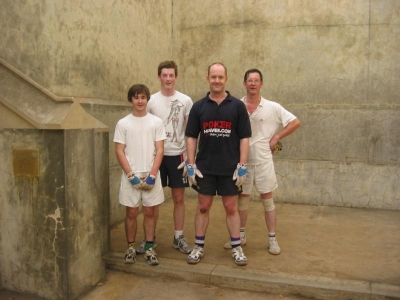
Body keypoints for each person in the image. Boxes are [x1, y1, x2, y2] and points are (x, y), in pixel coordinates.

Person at [223, 68, 301, 255]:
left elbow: (295, 122)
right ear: (244, 84)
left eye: (256, 80)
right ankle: (240, 236)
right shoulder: (235, 105)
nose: (252, 83)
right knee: (242, 200)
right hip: (242, 164)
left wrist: (277, 137)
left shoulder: (272, 107)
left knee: (268, 200)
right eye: (249, 80)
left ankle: (272, 239)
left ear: (261, 84)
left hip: (264, 162)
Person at [185, 62, 252, 266]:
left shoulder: (237, 106)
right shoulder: (198, 107)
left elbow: (244, 138)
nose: (216, 80)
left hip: (230, 169)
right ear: (207, 79)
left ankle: (236, 246)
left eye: (220, 77)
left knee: (231, 207)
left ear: (226, 79)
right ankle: (198, 246)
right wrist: (190, 164)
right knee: (203, 207)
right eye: (213, 77)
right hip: (205, 168)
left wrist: (242, 165)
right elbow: (190, 136)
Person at [138, 61, 193, 255]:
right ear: (159, 77)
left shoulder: (186, 100)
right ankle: (149, 239)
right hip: (155, 158)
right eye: (164, 75)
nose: (168, 79)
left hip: (178, 157)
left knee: (178, 198)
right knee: (152, 201)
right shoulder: (151, 101)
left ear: (176, 77)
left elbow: (190, 131)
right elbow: (145, 129)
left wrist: (190, 158)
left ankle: (178, 237)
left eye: (171, 75)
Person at [114, 84, 166, 266]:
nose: (140, 101)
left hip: (151, 174)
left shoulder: (156, 122)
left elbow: (160, 150)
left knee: (150, 211)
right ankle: (130, 247)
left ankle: (150, 247)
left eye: (143, 97)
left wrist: (152, 174)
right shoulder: (123, 123)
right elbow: (119, 150)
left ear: (147, 99)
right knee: (131, 212)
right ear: (131, 100)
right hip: (132, 175)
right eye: (136, 97)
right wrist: (130, 175)